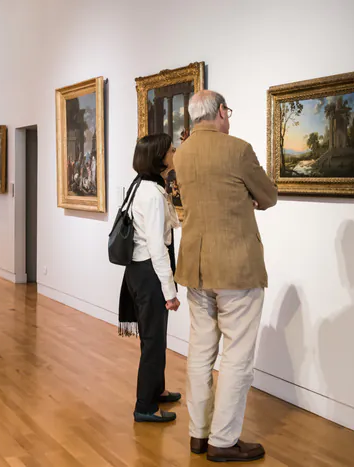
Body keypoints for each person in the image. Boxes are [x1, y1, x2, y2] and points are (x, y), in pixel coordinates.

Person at [173, 90, 278, 462]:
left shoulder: (181, 154)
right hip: (236, 268)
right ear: (220, 112)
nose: (228, 118)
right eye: (227, 112)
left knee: (200, 352)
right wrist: (249, 198)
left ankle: (198, 435)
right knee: (236, 357)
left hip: (196, 268)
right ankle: (223, 440)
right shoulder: (238, 149)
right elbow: (268, 196)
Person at [118, 133, 182, 423]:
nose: (174, 153)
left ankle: (156, 390)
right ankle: (145, 406)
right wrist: (170, 291)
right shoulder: (152, 195)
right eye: (170, 150)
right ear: (159, 158)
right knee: (154, 339)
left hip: (136, 270)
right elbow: (158, 246)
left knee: (153, 338)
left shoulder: (139, 187)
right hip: (149, 273)